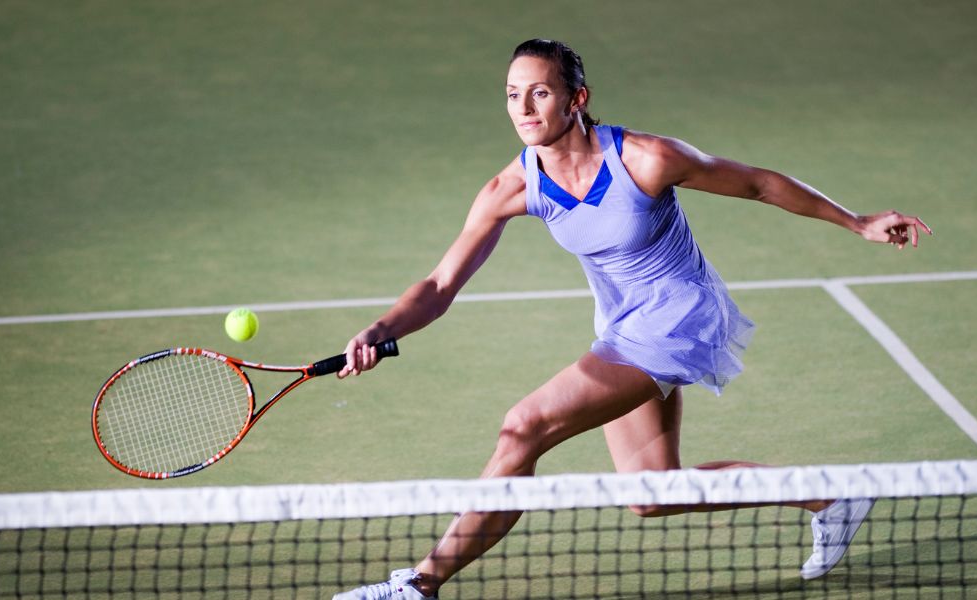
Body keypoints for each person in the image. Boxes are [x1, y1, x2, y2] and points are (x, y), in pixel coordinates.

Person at [332, 39, 931, 599]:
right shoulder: (513, 187)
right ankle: (832, 497)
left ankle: (419, 585)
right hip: (622, 328)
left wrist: (856, 221)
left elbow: (756, 183)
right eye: (513, 94)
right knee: (652, 493)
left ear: (576, 98)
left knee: (523, 427)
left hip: (678, 318)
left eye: (540, 91)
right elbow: (440, 285)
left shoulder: (646, 158)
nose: (524, 107)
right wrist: (383, 329)